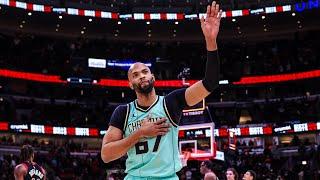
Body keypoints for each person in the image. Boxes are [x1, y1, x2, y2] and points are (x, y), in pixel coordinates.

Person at [100, 1, 222, 179]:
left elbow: (210, 82)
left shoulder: (171, 102)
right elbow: (106, 155)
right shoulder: (123, 112)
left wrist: (211, 41)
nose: (141, 76)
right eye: (135, 75)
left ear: (153, 78)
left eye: (145, 72)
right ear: (130, 84)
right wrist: (139, 133)